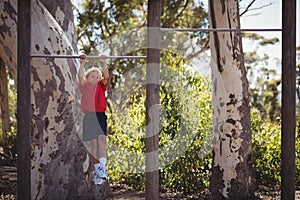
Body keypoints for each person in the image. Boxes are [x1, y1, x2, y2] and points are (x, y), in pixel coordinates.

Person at [77, 54, 109, 185]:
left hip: (100, 115)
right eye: (92, 76)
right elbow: (80, 76)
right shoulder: (85, 86)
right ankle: (97, 171)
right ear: (88, 79)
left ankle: (102, 168)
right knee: (94, 144)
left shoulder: (101, 85)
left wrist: (104, 62)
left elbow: (106, 76)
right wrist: (82, 63)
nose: (95, 78)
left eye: (97, 76)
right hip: (89, 116)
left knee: (102, 140)